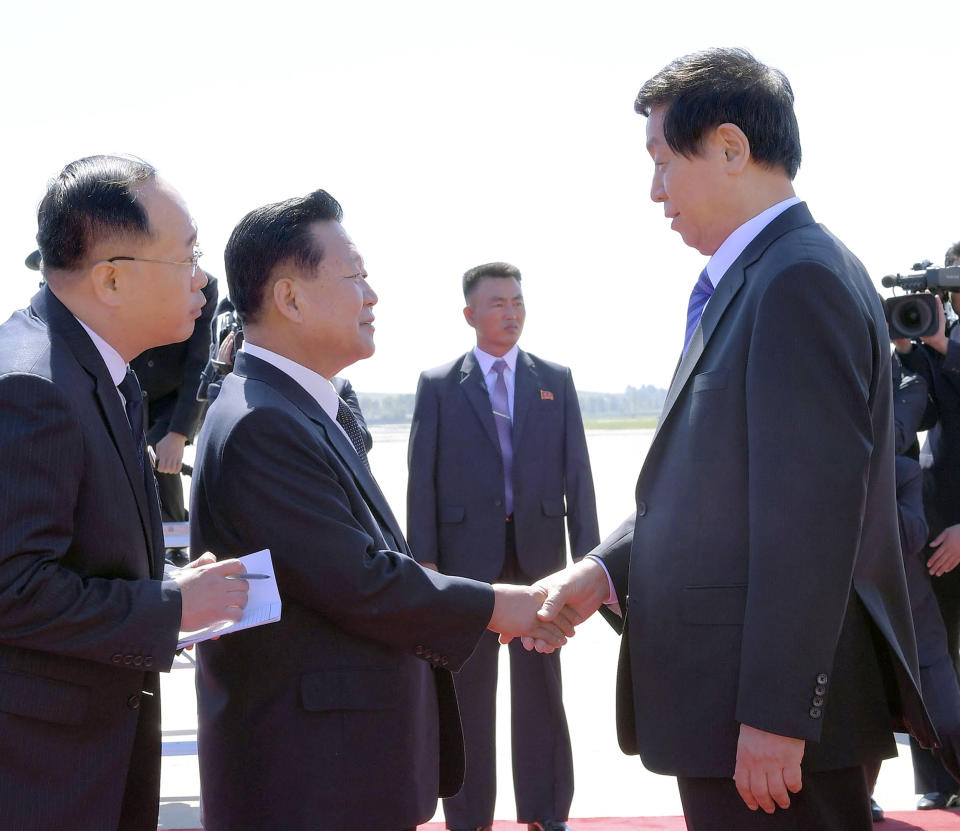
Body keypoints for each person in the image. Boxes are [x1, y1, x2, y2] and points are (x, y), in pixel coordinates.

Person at [530, 48, 938, 830]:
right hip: (741, 716)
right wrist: (603, 571)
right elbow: (718, 485)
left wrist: (780, 714)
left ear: (728, 147)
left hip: (772, 731)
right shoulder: (762, 276)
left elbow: (811, 517)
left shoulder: (796, 280)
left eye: (661, 161)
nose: (654, 191)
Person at [189, 189, 572, 831]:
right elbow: (360, 581)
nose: (372, 296)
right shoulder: (262, 423)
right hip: (312, 783)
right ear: (290, 298)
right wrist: (497, 604)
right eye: (356, 277)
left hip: (336, 772)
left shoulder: (292, 405)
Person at [0, 155, 250, 831]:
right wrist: (171, 601)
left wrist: (168, 580)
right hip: (43, 776)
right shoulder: (32, 387)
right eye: (188, 255)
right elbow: (12, 589)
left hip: (91, 753)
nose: (202, 279)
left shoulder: (102, 373)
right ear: (111, 277)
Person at [407, 261, 599, 831]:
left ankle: (546, 811)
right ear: (470, 314)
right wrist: (425, 560)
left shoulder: (554, 379)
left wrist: (591, 559)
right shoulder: (441, 384)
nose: (511, 311)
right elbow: (423, 476)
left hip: (539, 558)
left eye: (517, 301)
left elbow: (579, 474)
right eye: (497, 303)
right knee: (468, 697)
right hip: (468, 566)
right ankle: (469, 818)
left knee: (541, 690)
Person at [897, 240, 960, 809]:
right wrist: (899, 342)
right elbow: (904, 408)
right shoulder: (931, 340)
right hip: (936, 527)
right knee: (933, 652)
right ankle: (938, 779)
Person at [130, 271, 218, 522]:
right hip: (132, 393)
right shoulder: (132, 278)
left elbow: (199, 364)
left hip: (178, 399)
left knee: (161, 449)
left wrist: (179, 434)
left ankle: (174, 531)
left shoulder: (204, 287)